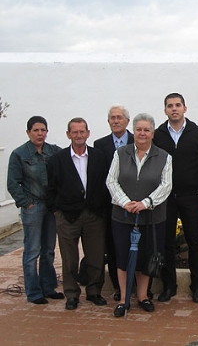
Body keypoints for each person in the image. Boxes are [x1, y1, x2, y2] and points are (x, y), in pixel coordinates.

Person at [106, 113, 172, 317]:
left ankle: (143, 296)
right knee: (123, 258)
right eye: (138, 129)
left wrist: (145, 203)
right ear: (132, 132)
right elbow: (111, 181)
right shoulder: (120, 153)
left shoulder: (164, 156)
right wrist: (125, 202)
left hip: (151, 218)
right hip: (122, 216)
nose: (142, 133)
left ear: (153, 133)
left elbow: (166, 185)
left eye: (146, 130)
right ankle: (124, 298)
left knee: (145, 257)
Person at [47, 117, 110, 310]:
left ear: (88, 133)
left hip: (94, 216)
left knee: (96, 257)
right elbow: (51, 188)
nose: (79, 135)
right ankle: (72, 294)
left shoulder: (99, 157)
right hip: (67, 217)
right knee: (70, 259)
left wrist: (101, 209)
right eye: (74, 132)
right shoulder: (57, 159)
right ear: (68, 135)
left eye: (82, 131)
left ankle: (93, 292)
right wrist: (57, 212)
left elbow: (105, 185)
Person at [153, 93, 198, 303]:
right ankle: (169, 286)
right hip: (164, 197)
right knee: (166, 242)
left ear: (185, 108)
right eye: (170, 106)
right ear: (165, 110)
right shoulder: (157, 135)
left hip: (190, 196)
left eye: (178, 105)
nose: (174, 109)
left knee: (195, 241)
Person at [7, 116, 63, 304]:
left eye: (43, 130)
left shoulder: (53, 151)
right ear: (28, 132)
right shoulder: (19, 154)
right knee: (32, 250)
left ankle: (48, 286)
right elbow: (13, 183)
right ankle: (33, 291)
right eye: (36, 130)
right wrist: (26, 203)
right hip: (33, 207)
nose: (40, 133)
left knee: (48, 249)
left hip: (50, 207)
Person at [93, 105, 134, 301]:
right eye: (112, 118)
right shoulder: (99, 145)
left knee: (138, 246)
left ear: (127, 121)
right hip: (111, 207)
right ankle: (120, 287)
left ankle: (139, 287)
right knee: (114, 247)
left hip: (136, 204)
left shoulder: (139, 140)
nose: (115, 121)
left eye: (119, 117)